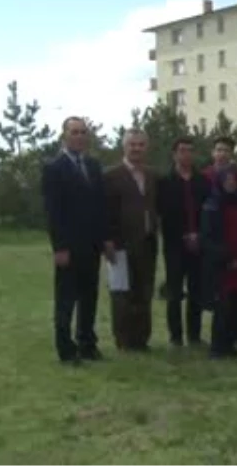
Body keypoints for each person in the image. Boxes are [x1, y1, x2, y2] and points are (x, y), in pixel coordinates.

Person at [42, 117, 107, 365]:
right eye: (74, 132)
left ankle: (87, 343)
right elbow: (53, 211)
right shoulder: (54, 168)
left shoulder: (92, 165)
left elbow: (100, 206)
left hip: (91, 245)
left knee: (89, 297)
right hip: (68, 247)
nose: (79, 136)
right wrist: (59, 247)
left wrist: (103, 239)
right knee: (66, 300)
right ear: (64, 136)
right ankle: (66, 350)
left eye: (83, 132)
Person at [102, 129, 159, 352]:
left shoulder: (153, 176)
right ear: (124, 147)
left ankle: (141, 339)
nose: (136, 148)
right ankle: (124, 340)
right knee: (121, 293)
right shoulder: (110, 175)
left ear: (147, 147)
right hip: (119, 245)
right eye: (132, 144)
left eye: (141, 144)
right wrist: (106, 240)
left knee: (144, 292)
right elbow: (104, 211)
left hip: (147, 242)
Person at [156, 137, 211, 348]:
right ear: (174, 154)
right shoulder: (165, 182)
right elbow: (163, 214)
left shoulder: (203, 182)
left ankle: (195, 335)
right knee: (174, 292)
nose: (186, 154)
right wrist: (182, 235)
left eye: (190, 150)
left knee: (196, 291)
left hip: (200, 244)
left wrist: (199, 236)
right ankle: (176, 336)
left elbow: (208, 213)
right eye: (182, 150)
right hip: (174, 245)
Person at [200, 167, 237, 359]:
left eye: (234, 180)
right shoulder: (211, 205)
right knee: (222, 305)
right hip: (220, 263)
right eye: (227, 180)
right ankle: (217, 346)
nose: (231, 183)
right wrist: (226, 257)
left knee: (236, 305)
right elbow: (206, 237)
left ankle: (230, 343)